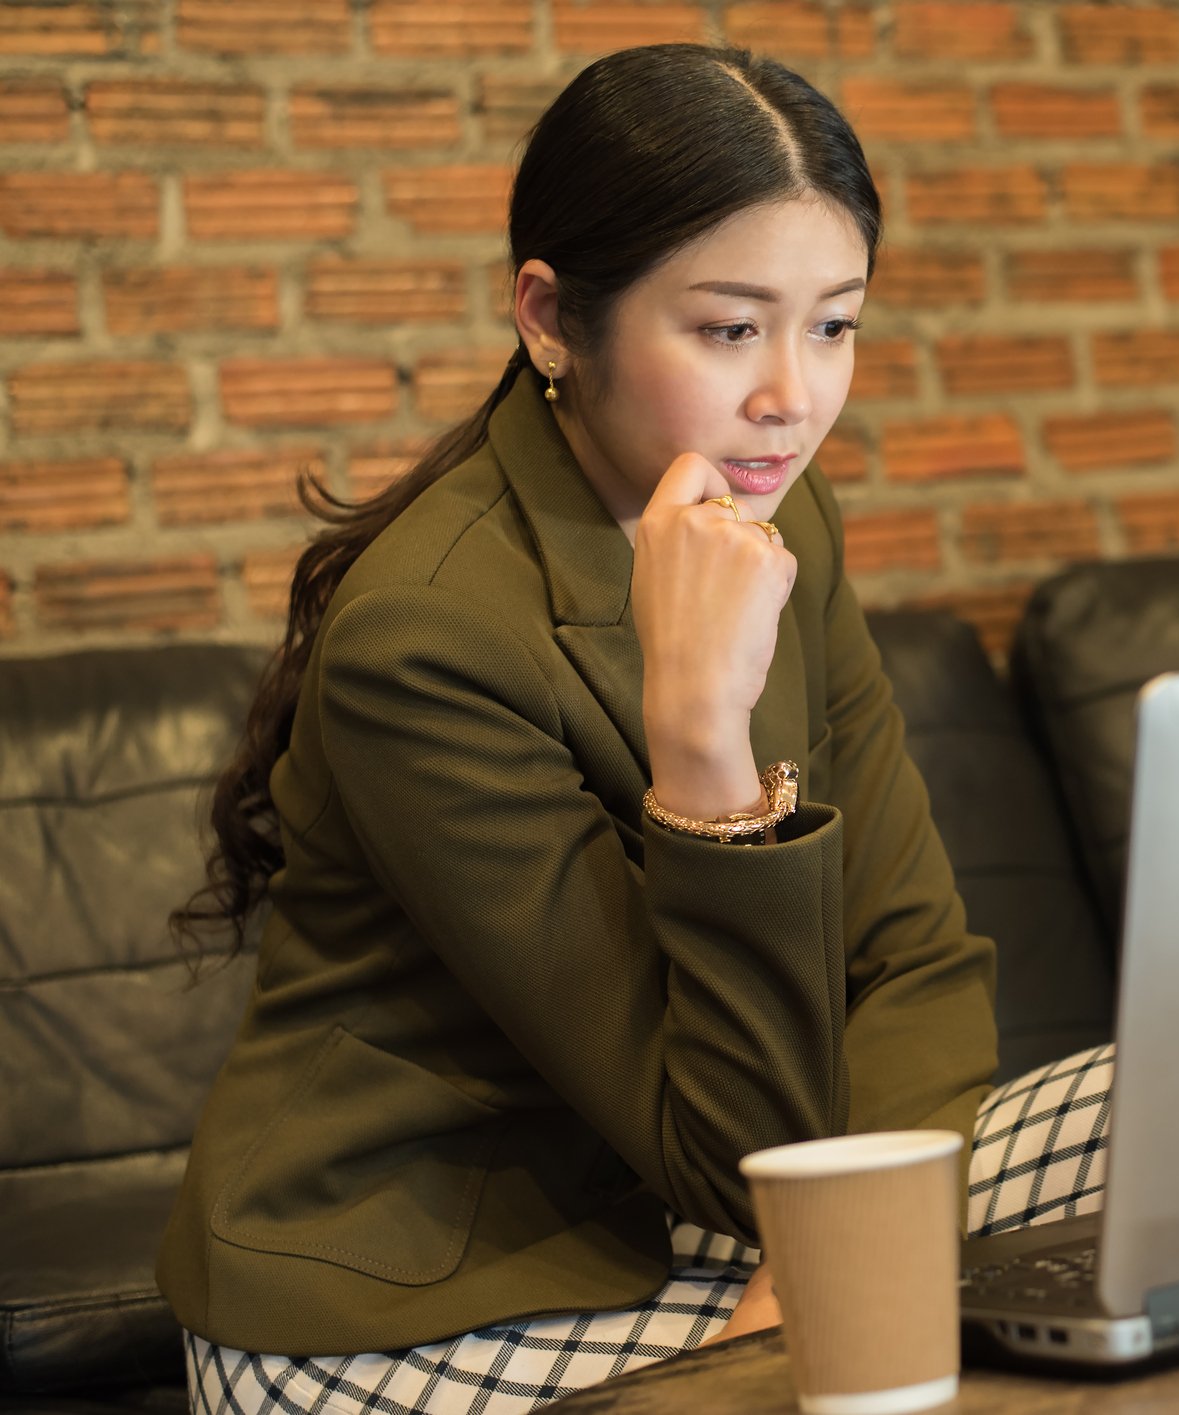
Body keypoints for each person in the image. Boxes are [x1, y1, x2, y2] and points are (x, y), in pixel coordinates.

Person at [160, 43, 1114, 1415]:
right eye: (732, 329)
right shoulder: (425, 639)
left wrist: (837, 1248)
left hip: (717, 1223)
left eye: (833, 324)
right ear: (551, 319)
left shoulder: (780, 516)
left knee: (1163, 1124)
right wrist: (701, 741)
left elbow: (914, 959)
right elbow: (725, 1143)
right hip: (417, 1296)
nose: (794, 394)